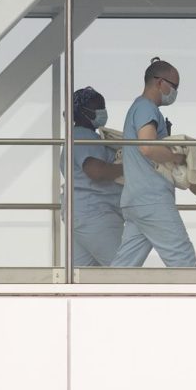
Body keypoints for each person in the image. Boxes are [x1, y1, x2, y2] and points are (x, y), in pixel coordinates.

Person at [111, 57, 196, 268]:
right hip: (152, 200)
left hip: (136, 200)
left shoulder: (139, 108)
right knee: (183, 259)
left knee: (123, 267)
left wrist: (192, 183)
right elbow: (147, 147)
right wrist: (177, 156)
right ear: (159, 82)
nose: (175, 92)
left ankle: (99, 300)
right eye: (174, 86)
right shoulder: (146, 108)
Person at [60, 87, 124, 266]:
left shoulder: (80, 137)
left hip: (82, 216)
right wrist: (130, 167)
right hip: (96, 216)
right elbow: (96, 171)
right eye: (97, 107)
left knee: (85, 279)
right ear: (81, 111)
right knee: (125, 271)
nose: (102, 112)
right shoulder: (82, 137)